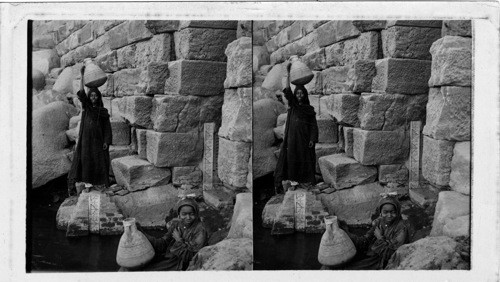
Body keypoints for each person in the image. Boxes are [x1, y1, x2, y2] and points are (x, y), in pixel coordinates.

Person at [121, 198, 209, 271]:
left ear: (196, 214)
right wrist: (142, 232)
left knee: (148, 271)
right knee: (133, 266)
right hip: (170, 256)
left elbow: (193, 256)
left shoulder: (200, 230)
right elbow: (162, 243)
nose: (188, 217)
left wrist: (179, 240)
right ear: (179, 215)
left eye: (192, 214)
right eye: (184, 214)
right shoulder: (177, 224)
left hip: (181, 263)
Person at [274, 61, 319, 193]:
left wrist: (312, 139)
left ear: (305, 95)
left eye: (301, 94)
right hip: (293, 139)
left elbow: (313, 126)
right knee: (293, 159)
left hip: (304, 140)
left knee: (304, 159)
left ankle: (305, 181)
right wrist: (288, 74)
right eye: (298, 93)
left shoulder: (309, 109)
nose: (299, 95)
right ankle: (294, 181)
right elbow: (287, 90)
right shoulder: (293, 105)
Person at [67, 65, 112, 196]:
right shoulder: (86, 107)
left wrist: (106, 140)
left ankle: (99, 184)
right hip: (86, 140)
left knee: (99, 161)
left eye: (95, 96)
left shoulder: (103, 112)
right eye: (91, 96)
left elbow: (107, 127)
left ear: (98, 97)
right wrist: (82, 76)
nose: (93, 98)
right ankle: (88, 184)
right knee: (86, 161)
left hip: (98, 141)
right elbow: (81, 93)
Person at [337, 196, 412, 270]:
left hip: (384, 259)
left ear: (397, 212)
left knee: (352, 269)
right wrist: (346, 234)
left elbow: (393, 254)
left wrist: (380, 238)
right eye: (385, 212)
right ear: (381, 212)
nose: (389, 216)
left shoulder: (401, 229)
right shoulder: (380, 221)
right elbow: (366, 240)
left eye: (393, 212)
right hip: (374, 253)